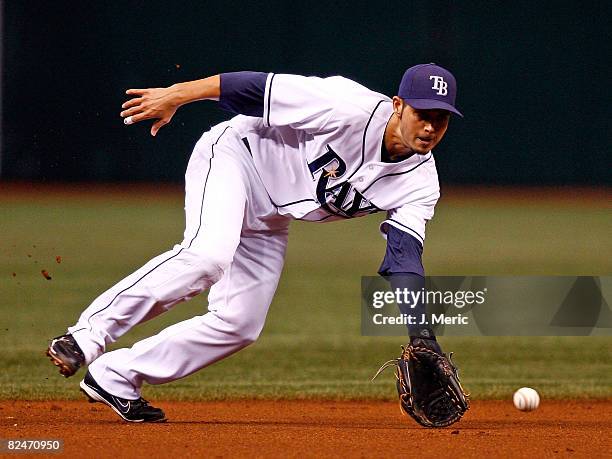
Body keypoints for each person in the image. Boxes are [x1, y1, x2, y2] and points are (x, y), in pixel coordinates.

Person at [47, 64, 465, 424]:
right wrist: (175, 96)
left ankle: (115, 376)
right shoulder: (347, 105)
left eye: (441, 119)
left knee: (240, 323)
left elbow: (403, 258)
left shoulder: (421, 184)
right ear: (398, 105)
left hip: (270, 214)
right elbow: (252, 87)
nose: (429, 127)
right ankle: (86, 336)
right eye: (421, 114)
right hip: (236, 157)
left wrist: (422, 334)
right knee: (207, 256)